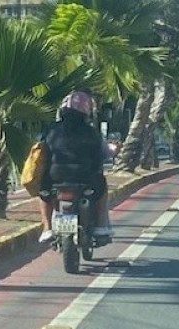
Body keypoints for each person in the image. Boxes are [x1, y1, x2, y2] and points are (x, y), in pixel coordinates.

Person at [38, 90, 113, 243]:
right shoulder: (92, 133)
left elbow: (40, 151)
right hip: (85, 178)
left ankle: (47, 228)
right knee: (102, 188)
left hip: (55, 178)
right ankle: (100, 224)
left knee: (43, 194)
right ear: (86, 112)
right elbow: (104, 153)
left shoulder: (50, 131)